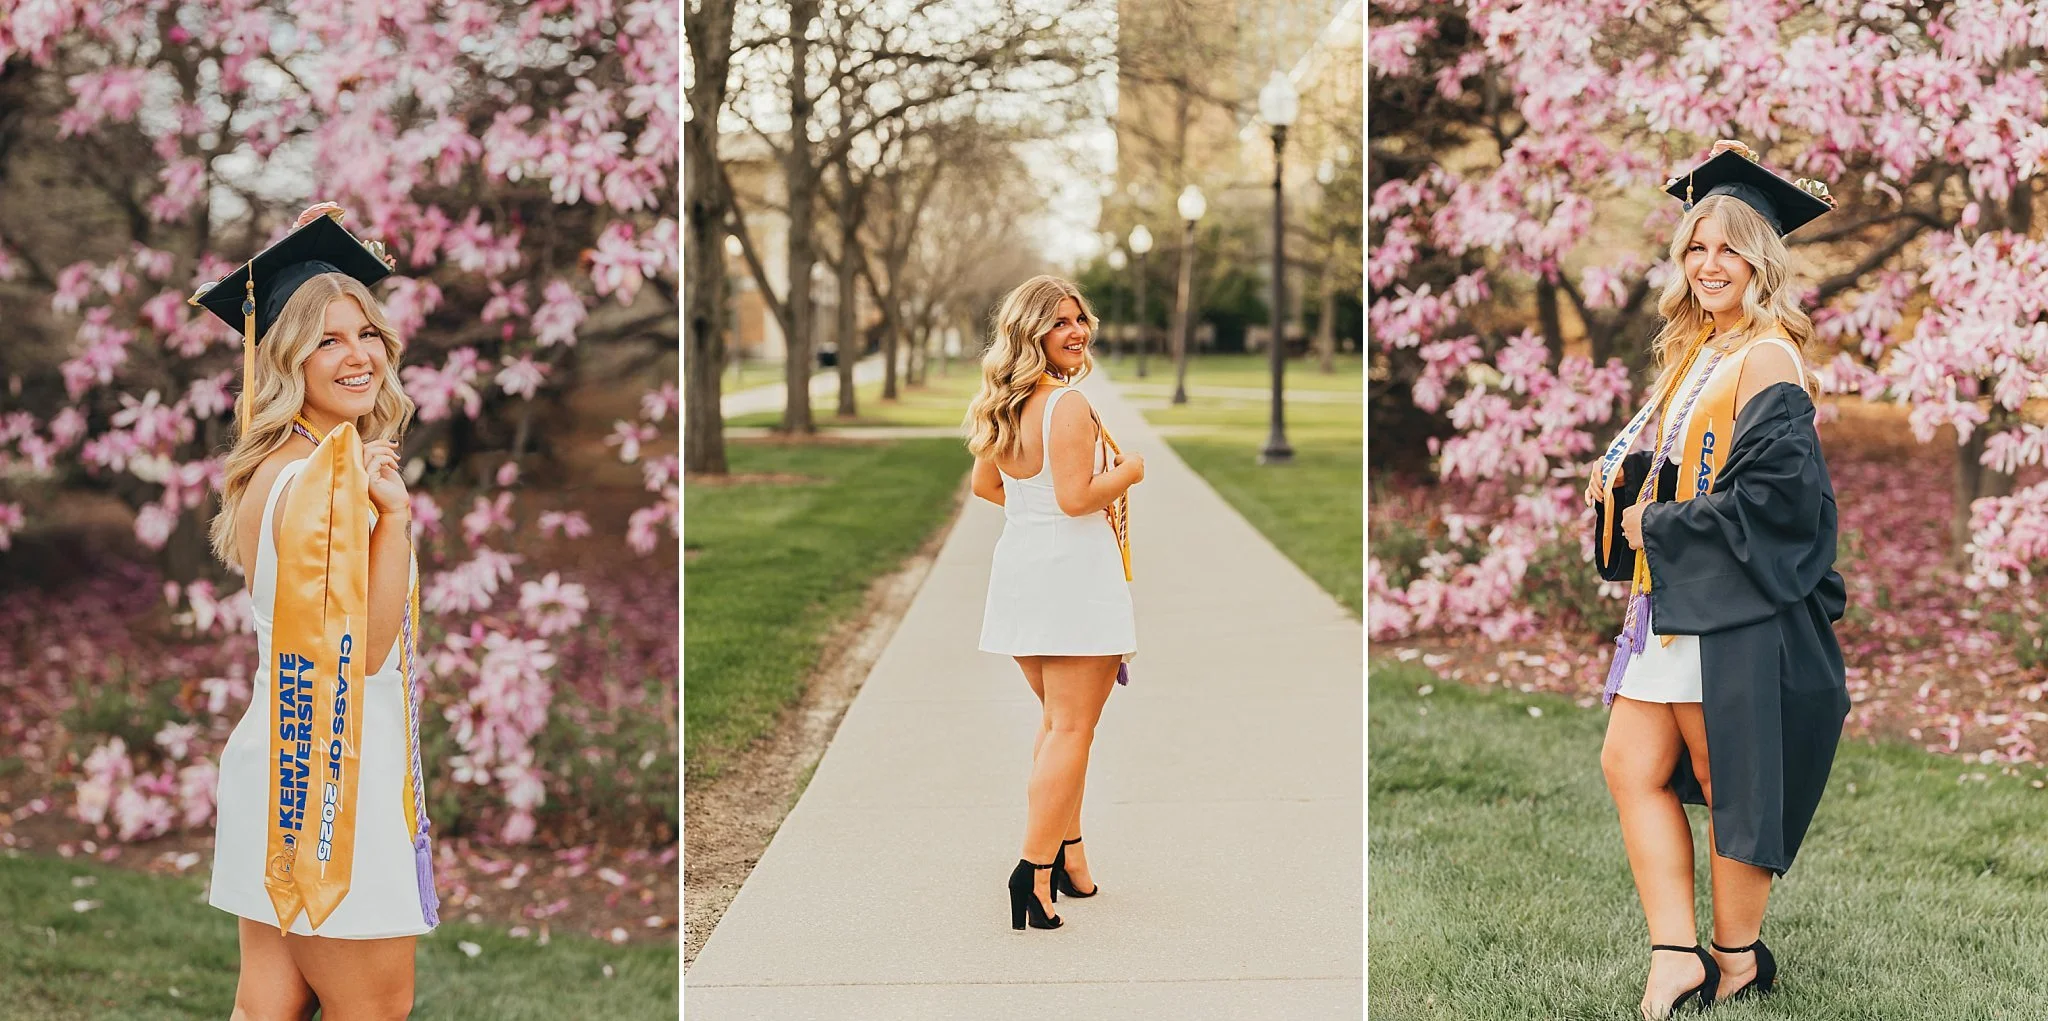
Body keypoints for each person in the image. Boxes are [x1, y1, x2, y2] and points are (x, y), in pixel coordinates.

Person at [1584, 141, 1850, 1019]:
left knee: (1726, 775)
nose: (1708, 264)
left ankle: (1735, 957)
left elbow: (1781, 503)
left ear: (1761, 259)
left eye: (1729, 248)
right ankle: (1676, 955)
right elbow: (1699, 471)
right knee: (1629, 763)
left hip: (1728, 607)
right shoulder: (1703, 349)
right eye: (1696, 247)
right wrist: (1629, 486)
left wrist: (1658, 526)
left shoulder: (1767, 357)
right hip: (1673, 598)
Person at [198, 202, 436, 1020]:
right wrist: (394, 519)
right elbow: (361, 651)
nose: (359, 354)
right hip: (335, 781)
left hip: (279, 761)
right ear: (286, 356)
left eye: (366, 332)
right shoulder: (329, 482)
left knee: (268, 1005)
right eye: (327, 340)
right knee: (375, 1008)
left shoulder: (275, 464)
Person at [966, 275, 1144, 931]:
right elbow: (1076, 499)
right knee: (1071, 730)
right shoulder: (1066, 405)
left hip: (1022, 575)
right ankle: (1032, 870)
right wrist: (1129, 472)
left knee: (1057, 727)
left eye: (1080, 319)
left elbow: (988, 486)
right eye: (1060, 322)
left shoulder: (1004, 403)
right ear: (1031, 333)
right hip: (1074, 582)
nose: (1077, 332)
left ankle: (1071, 856)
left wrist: (1034, 509)